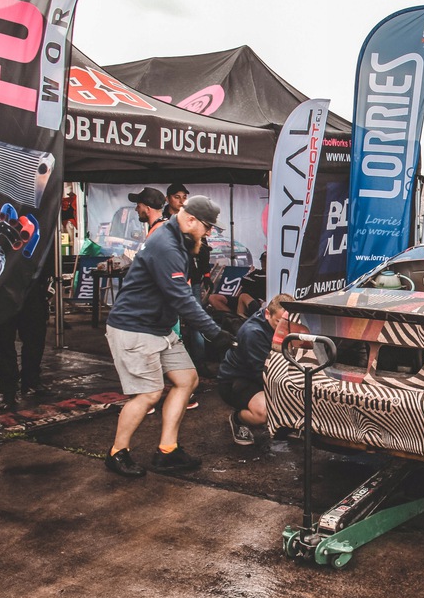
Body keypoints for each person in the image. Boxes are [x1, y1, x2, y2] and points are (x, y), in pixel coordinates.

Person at [103, 195, 236, 477]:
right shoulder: (166, 246)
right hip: (134, 328)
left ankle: (167, 450)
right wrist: (215, 333)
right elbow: (182, 300)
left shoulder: (177, 239)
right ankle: (117, 453)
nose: (209, 233)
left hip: (159, 328)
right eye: (207, 227)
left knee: (187, 379)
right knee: (148, 394)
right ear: (191, 220)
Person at [217, 293, 293, 445]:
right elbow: (263, 373)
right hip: (237, 380)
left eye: (287, 323)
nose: (284, 328)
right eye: (279, 322)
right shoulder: (253, 333)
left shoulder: (285, 323)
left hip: (261, 374)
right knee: (264, 412)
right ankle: (238, 419)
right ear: (267, 314)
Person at [0, 253, 55, 410]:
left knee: (35, 338)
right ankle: (8, 390)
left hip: (32, 288)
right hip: (3, 291)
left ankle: (31, 380)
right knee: (4, 342)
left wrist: (47, 284)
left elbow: (48, 253)